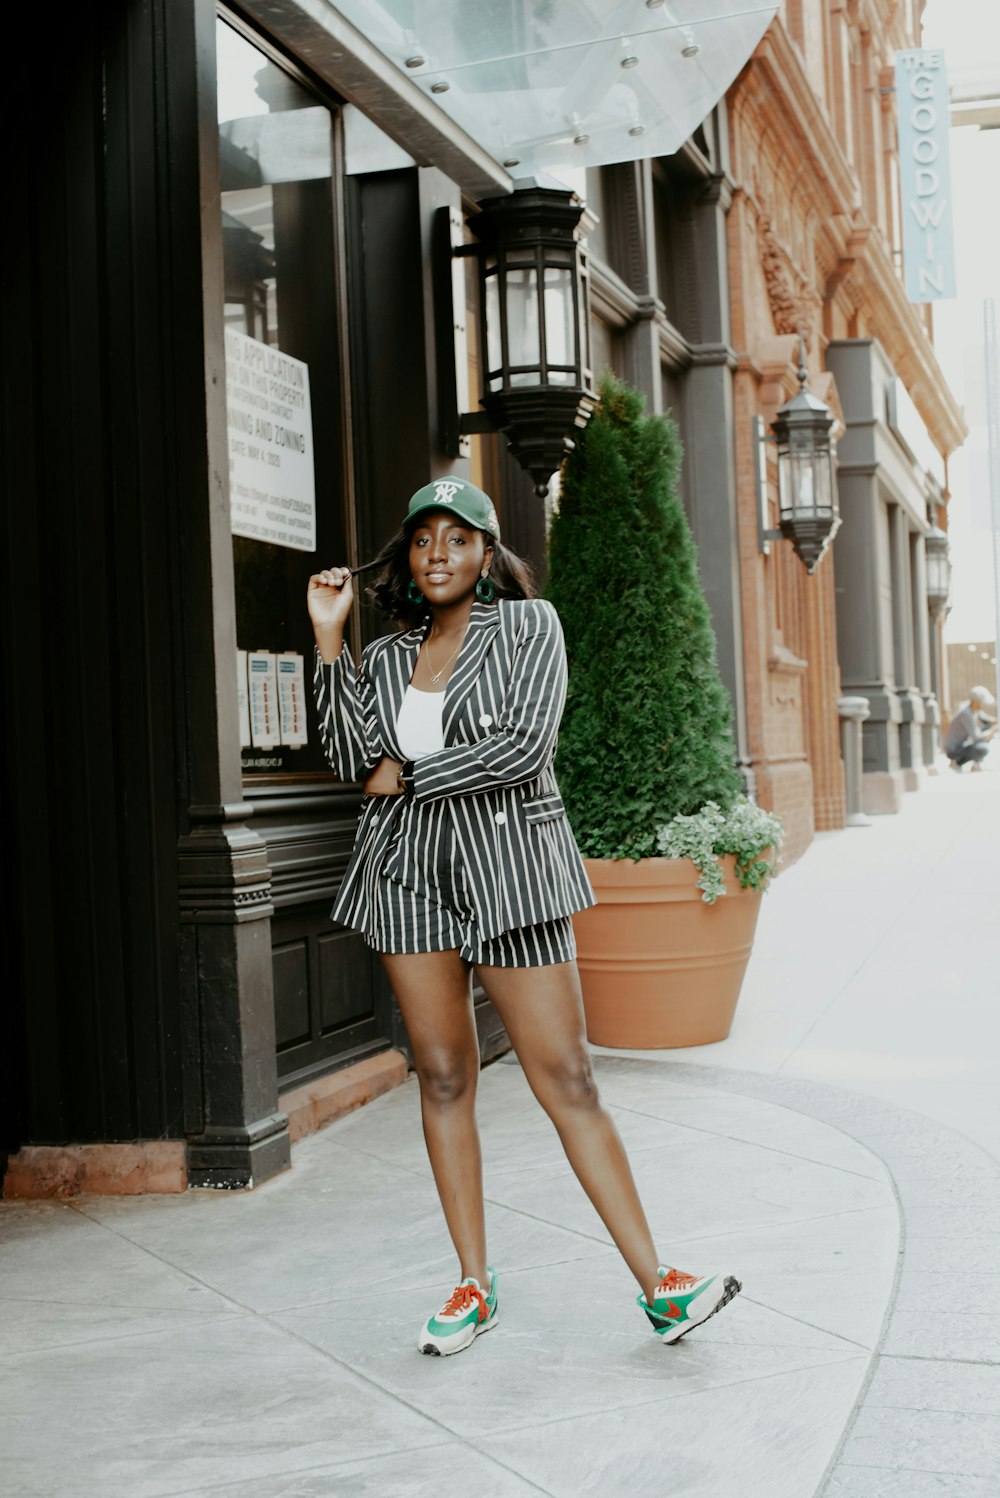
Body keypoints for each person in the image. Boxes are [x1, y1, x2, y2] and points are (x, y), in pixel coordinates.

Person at [307, 477, 741, 1357]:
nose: (437, 553)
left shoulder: (530, 629)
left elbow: (523, 746)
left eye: (457, 539)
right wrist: (328, 642)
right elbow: (350, 756)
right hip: (406, 877)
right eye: (423, 538)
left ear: (486, 554)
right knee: (441, 1077)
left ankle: (659, 1283)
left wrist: (413, 772)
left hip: (513, 872)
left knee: (567, 1079)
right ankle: (473, 1283)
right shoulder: (387, 656)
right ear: (407, 556)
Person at [944, 685, 997, 772]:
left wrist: (994, 722)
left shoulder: (971, 708)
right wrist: (992, 731)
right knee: (983, 748)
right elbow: (976, 737)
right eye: (982, 702)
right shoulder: (966, 714)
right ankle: (958, 763)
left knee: (987, 726)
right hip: (953, 749)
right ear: (976, 701)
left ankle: (975, 764)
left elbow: (984, 717)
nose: (984, 705)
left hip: (961, 744)